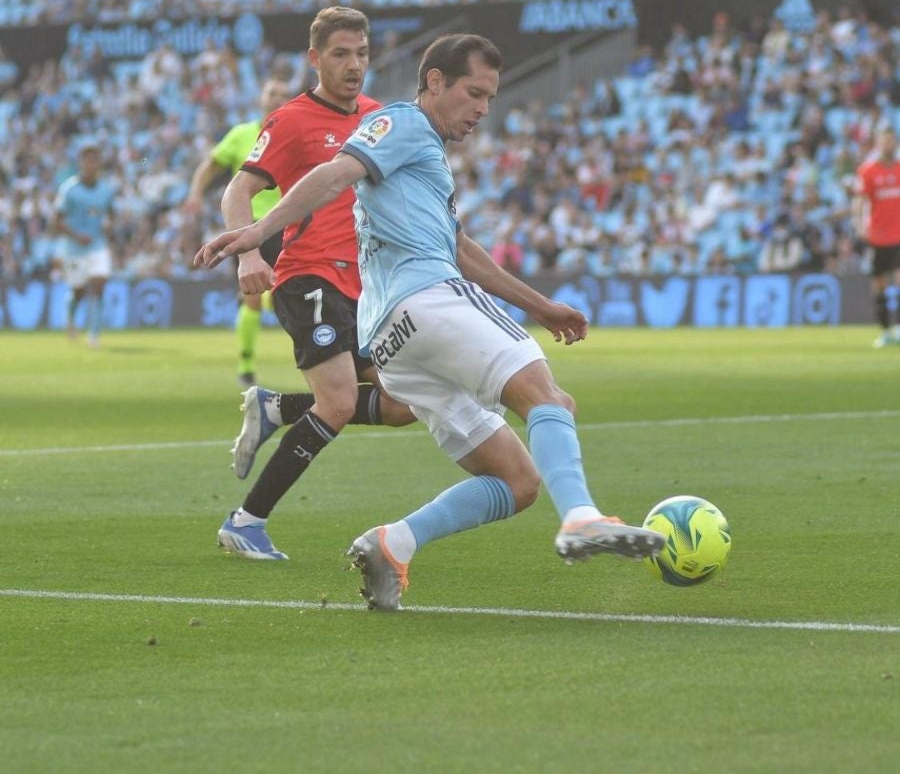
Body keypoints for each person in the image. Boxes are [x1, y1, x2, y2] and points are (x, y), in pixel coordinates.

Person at [196, 33, 664, 608]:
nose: (483, 110)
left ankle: (394, 543)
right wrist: (258, 234)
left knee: (517, 481)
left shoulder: (424, 160)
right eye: (474, 93)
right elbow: (334, 175)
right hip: (426, 300)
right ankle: (582, 519)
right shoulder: (404, 124)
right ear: (435, 82)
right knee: (549, 397)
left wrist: (540, 306)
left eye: (490, 98)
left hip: (392, 339)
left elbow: (460, 246)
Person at [209, 5, 415, 560]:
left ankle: (276, 408)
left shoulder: (379, 117)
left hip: (370, 288)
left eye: (363, 54)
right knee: (341, 401)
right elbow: (236, 193)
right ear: (315, 58)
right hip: (310, 275)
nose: (354, 65)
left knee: (406, 402)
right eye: (341, 54)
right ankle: (246, 521)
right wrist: (247, 253)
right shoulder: (292, 119)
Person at [182, 77, 291, 386]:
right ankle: (245, 364)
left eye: (283, 94)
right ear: (261, 98)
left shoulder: (294, 134)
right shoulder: (242, 134)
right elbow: (210, 165)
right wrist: (194, 194)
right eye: (272, 92)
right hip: (247, 229)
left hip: (287, 228)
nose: (277, 98)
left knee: (293, 297)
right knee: (253, 299)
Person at [52, 140, 117, 348]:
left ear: (98, 163)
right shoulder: (69, 189)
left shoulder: (106, 190)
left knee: (99, 284)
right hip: (74, 248)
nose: (91, 164)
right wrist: (76, 235)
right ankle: (70, 314)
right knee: (79, 291)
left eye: (94, 160)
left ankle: (94, 335)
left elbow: (111, 215)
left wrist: (109, 225)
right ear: (80, 163)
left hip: (97, 245)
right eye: (87, 160)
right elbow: (56, 221)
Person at [854, 126, 900, 348]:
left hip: (899, 234)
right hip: (878, 235)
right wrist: (859, 224)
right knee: (879, 284)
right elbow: (861, 200)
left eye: (891, 141)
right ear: (878, 144)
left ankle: (899, 327)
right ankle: (886, 331)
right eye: (884, 141)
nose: (888, 145)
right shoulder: (868, 171)